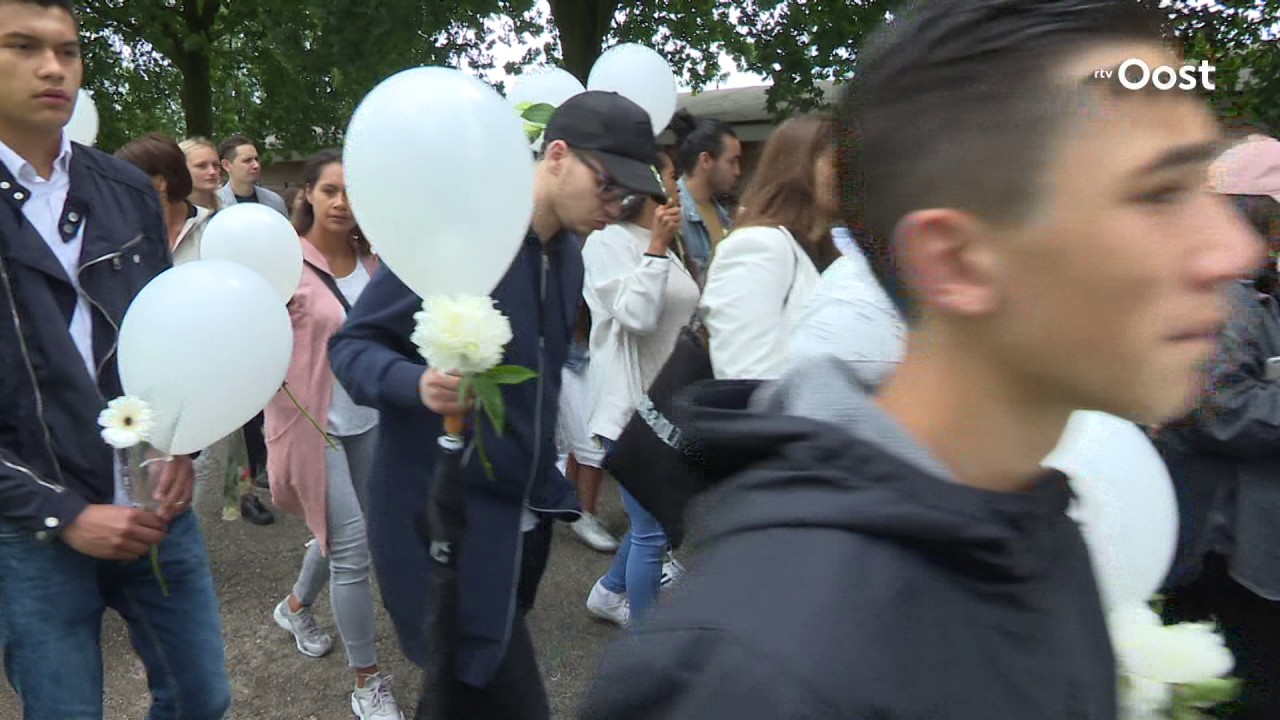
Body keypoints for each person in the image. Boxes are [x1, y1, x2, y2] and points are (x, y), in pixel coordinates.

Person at [579, 1, 1261, 718]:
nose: (1235, 250)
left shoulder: (1032, 525)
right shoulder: (755, 673)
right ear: (956, 261)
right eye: (1158, 193)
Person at [329, 91, 667, 719]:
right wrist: (415, 383)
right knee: (498, 692)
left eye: (632, 196)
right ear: (557, 156)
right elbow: (351, 348)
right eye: (609, 184)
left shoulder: (569, 257)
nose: (617, 206)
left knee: (461, 694)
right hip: (443, 522)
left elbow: (542, 386)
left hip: (524, 522)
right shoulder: (463, 237)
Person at [0, 1, 231, 718]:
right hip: (32, 525)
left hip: (154, 502)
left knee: (203, 698)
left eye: (68, 51)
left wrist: (182, 444)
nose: (53, 68)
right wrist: (62, 513)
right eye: (23, 46)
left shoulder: (126, 190)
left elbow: (169, 336)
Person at [263, 150, 403, 719]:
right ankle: (367, 681)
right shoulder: (282, 261)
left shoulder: (376, 259)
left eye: (351, 192)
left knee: (349, 530)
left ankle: (296, 605)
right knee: (352, 548)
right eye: (330, 190)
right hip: (310, 421)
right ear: (307, 195)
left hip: (367, 415)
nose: (342, 203)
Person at [1158, 134, 1280, 719]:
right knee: (1240, 687)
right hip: (1223, 542)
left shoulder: (1255, 291)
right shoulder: (1221, 298)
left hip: (1245, 536)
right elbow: (1219, 409)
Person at [582, 148, 699, 627]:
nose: (678, 184)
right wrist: (655, 249)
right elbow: (638, 316)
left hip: (666, 403)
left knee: (656, 523)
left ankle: (610, 592)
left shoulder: (662, 240)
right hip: (629, 409)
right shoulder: (607, 241)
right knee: (652, 530)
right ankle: (649, 642)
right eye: (671, 174)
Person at [699, 116, 830, 380]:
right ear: (803, 168)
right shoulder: (758, 244)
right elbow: (746, 377)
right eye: (838, 161)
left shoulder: (818, 245)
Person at [116, 133, 211, 266]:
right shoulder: (119, 234)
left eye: (128, 181)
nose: (120, 189)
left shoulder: (212, 228)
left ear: (160, 183)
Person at [669, 109, 740, 279]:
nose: (737, 171)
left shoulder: (724, 214)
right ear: (706, 160)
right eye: (732, 161)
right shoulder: (675, 215)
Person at [216, 133, 288, 216]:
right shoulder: (213, 206)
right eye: (247, 160)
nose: (256, 165)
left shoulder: (275, 202)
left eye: (256, 159)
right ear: (226, 165)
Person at [181, 136, 222, 211]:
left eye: (216, 165)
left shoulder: (228, 208)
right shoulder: (168, 213)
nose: (212, 171)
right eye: (201, 166)